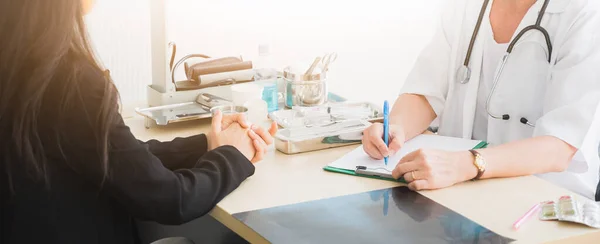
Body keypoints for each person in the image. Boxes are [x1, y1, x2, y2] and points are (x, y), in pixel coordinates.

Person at [0, 0, 277, 243]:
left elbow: (114, 157)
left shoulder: (18, 66)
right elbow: (171, 199)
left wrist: (205, 144)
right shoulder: (73, 83)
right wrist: (234, 156)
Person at [363, 0, 600, 200]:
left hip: (544, 201)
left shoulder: (586, 14)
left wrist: (467, 164)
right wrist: (397, 128)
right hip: (458, 193)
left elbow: (560, 147)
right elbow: (426, 90)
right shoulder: (465, 6)